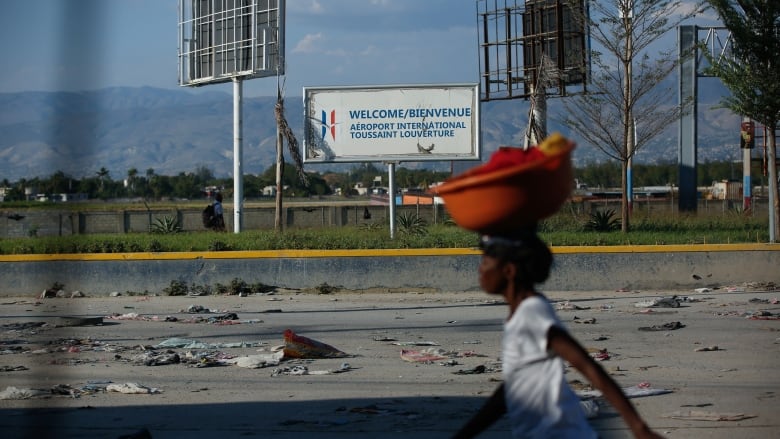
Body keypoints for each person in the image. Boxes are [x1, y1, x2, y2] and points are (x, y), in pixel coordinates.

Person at [453, 228, 664, 439]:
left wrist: (639, 428)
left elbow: (587, 365)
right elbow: (510, 390)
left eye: (485, 263)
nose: (480, 271)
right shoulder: (522, 314)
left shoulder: (531, 314)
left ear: (509, 271)